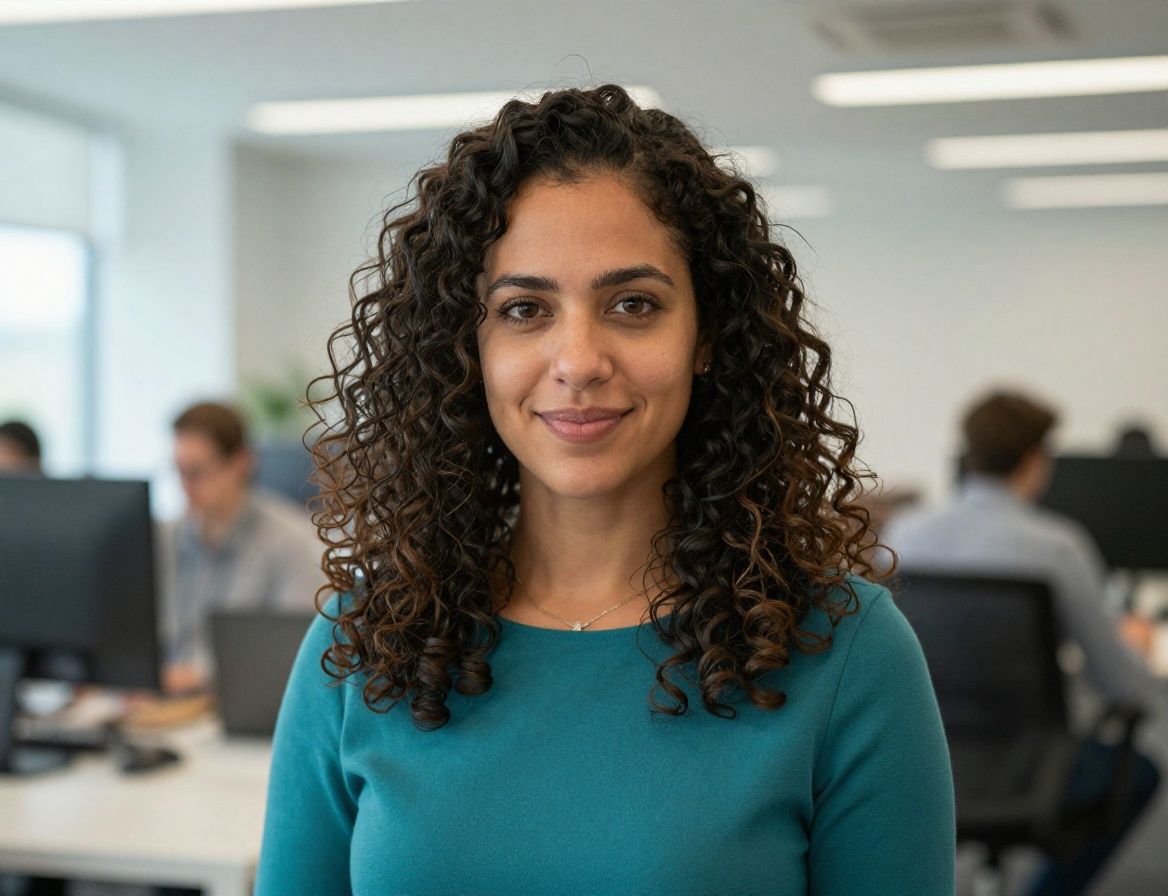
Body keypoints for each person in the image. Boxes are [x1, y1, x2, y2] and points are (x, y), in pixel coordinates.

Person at [256, 85, 955, 896]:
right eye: (524, 309)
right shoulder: (366, 643)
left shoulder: (845, 654)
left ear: (706, 336)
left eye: (633, 304)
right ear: (465, 351)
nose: (579, 360)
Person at [882, 389, 1161, 896]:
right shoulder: (1058, 549)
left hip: (920, 753)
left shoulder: (904, 534)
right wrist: (1138, 646)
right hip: (1032, 767)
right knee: (1141, 771)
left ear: (967, 453)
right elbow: (1125, 690)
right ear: (1036, 461)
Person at [157, 401, 322, 696]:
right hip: (164, 707)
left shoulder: (289, 542)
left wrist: (195, 677)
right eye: (179, 472)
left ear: (241, 462)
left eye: (196, 473)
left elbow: (295, 655)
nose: (185, 487)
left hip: (240, 710)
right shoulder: (168, 537)